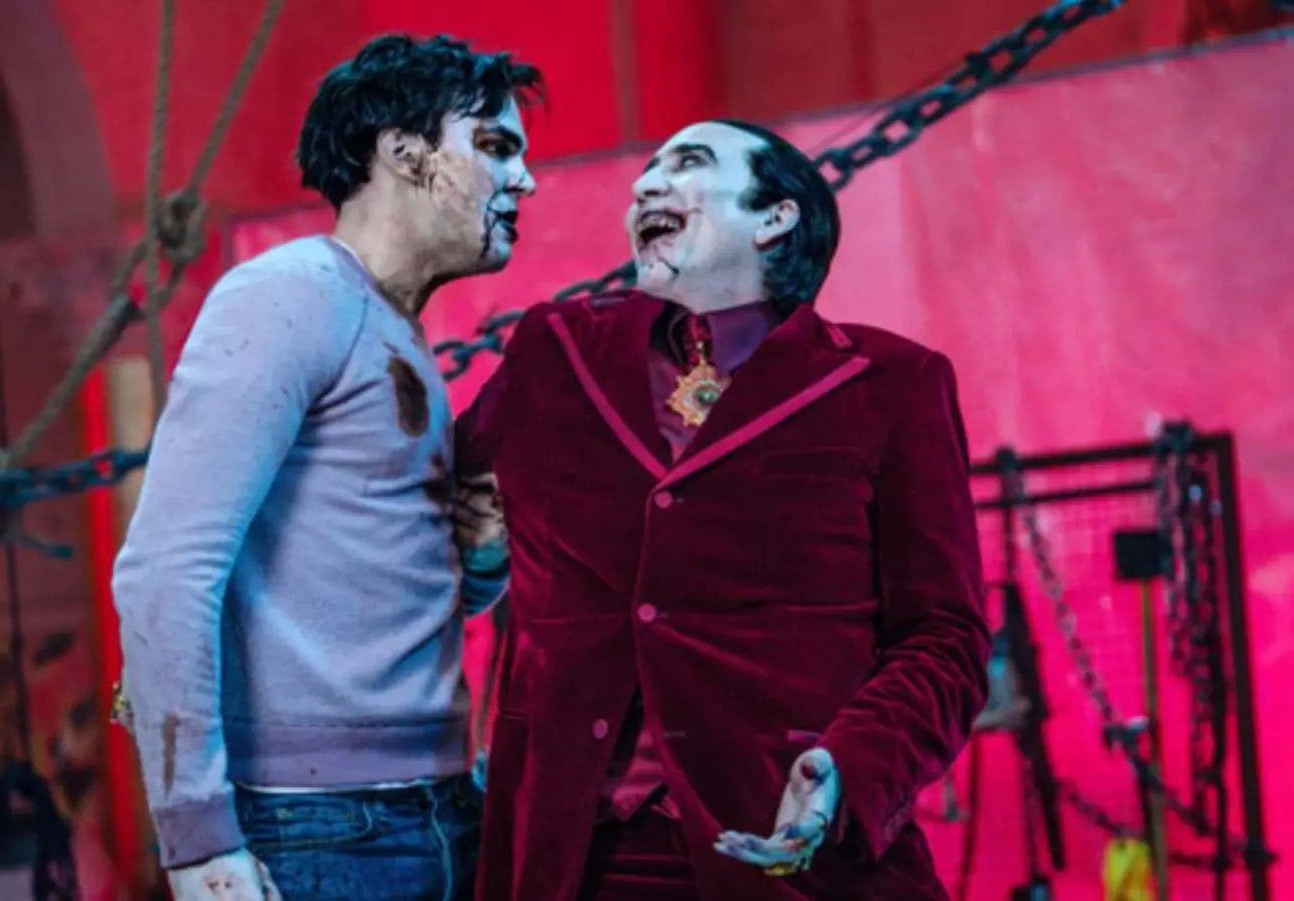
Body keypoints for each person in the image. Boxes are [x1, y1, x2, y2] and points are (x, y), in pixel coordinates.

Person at [457, 119, 990, 900]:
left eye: (688, 163)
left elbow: (944, 636)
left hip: (788, 852)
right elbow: (430, 498)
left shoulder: (891, 383)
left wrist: (852, 764)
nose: (645, 184)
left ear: (775, 216)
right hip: (573, 855)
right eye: (647, 169)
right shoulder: (557, 350)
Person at [111, 34, 538, 901]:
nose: (523, 179)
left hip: (427, 808)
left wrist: (484, 560)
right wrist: (199, 844)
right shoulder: (293, 293)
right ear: (404, 153)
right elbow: (166, 568)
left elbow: (371, 602)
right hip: (321, 829)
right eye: (495, 146)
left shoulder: (391, 328)